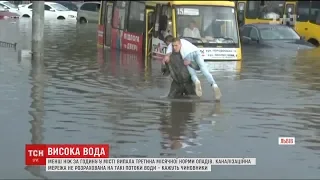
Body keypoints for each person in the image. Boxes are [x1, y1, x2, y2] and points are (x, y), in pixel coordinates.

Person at [163, 36, 222, 101]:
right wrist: (165, 64)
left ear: (179, 44)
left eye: (175, 46)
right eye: (172, 46)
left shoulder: (186, 53)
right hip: (176, 83)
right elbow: (165, 73)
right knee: (170, 100)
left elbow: (198, 67)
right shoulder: (168, 57)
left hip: (189, 83)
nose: (173, 48)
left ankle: (212, 85)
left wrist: (190, 63)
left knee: (195, 101)